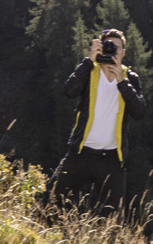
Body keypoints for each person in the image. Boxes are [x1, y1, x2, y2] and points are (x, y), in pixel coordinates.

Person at [45, 28, 145, 214]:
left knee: (114, 221)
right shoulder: (90, 72)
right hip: (81, 153)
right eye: (108, 46)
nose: (112, 50)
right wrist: (88, 61)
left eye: (117, 48)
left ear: (123, 53)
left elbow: (139, 112)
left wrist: (122, 82)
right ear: (100, 48)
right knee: (50, 202)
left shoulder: (130, 79)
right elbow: (69, 91)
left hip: (112, 160)